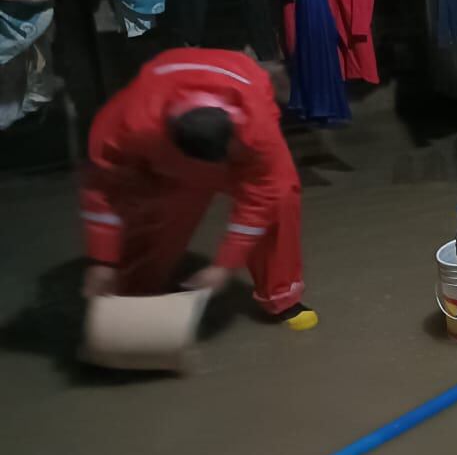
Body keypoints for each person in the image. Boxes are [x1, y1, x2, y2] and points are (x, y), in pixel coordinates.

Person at [79, 48, 317, 331]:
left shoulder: (257, 125)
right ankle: (135, 294)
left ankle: (281, 295)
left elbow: (262, 196)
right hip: (163, 145)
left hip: (239, 140)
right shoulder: (124, 125)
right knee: (155, 211)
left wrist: (225, 265)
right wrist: (102, 259)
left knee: (280, 200)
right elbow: (106, 191)